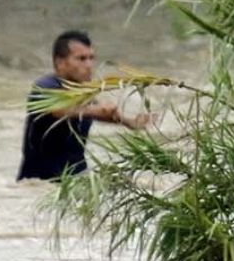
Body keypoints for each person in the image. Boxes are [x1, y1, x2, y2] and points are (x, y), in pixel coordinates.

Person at [17, 29, 149, 180]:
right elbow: (58, 111)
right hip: (40, 181)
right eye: (81, 59)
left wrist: (130, 122)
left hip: (78, 177)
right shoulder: (45, 87)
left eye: (91, 58)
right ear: (60, 63)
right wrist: (96, 110)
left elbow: (102, 113)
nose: (89, 65)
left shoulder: (83, 91)